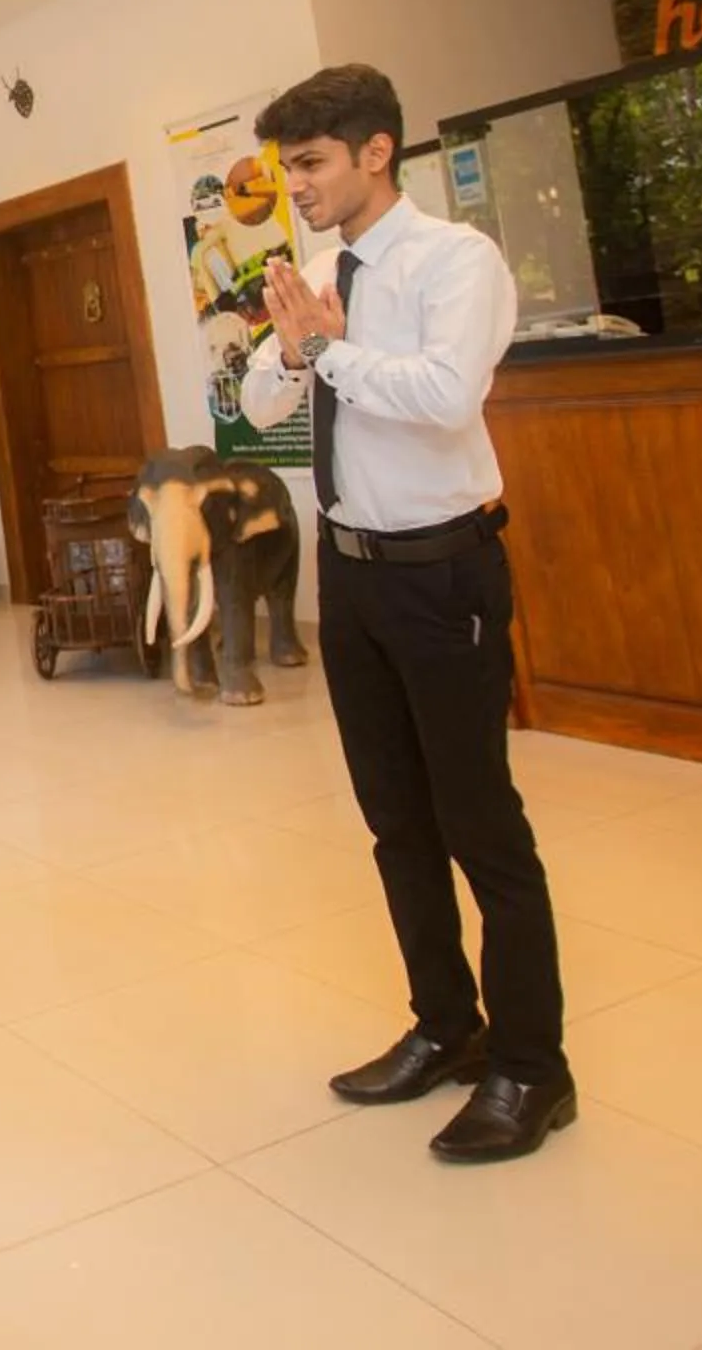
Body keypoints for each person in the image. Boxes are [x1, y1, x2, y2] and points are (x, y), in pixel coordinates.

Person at [243, 66, 576, 1164]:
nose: (297, 187)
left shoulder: (455, 261)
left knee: (482, 825)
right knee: (395, 821)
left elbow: (444, 397)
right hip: (352, 579)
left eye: (311, 164)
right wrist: (297, 348)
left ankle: (532, 1066)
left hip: (443, 573)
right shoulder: (316, 277)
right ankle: (445, 1024)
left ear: (376, 151)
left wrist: (330, 348)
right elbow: (258, 399)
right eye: (289, 168)